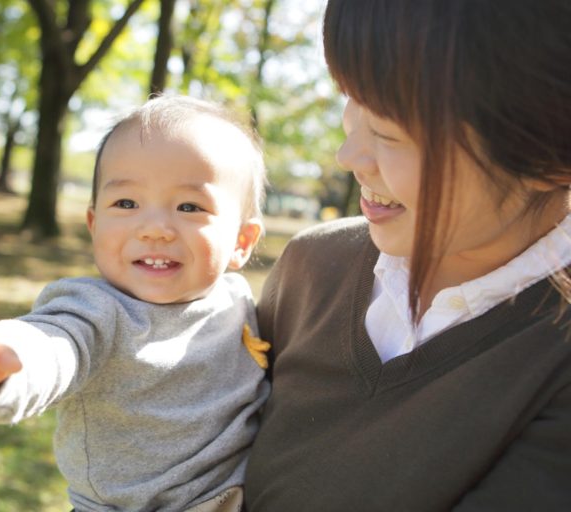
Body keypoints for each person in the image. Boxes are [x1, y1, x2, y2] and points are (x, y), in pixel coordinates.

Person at [245, 1, 571, 510]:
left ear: (549, 158)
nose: (348, 156)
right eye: (351, 100)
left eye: (389, 131)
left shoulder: (551, 360)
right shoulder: (313, 266)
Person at [0, 95, 271, 512]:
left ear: (241, 241)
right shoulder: (96, 311)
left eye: (189, 206)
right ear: (94, 224)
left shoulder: (237, 300)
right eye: (126, 203)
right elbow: (54, 346)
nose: (154, 229)